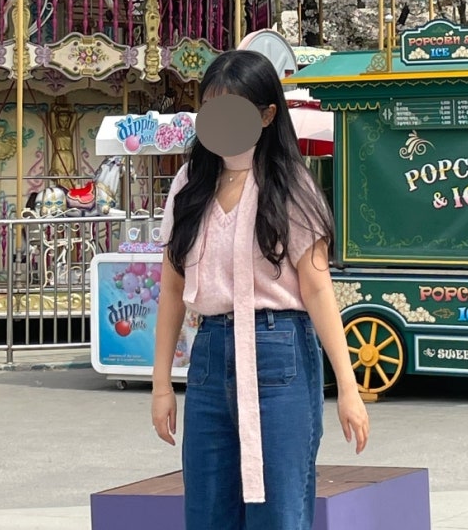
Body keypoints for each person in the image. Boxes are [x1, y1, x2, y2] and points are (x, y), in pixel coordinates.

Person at [151, 49, 369, 530]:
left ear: (267, 115)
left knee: (279, 509)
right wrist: (161, 384)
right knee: (207, 510)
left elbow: (318, 291)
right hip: (211, 350)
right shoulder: (190, 184)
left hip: (278, 348)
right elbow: (171, 288)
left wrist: (348, 388)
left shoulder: (290, 185)